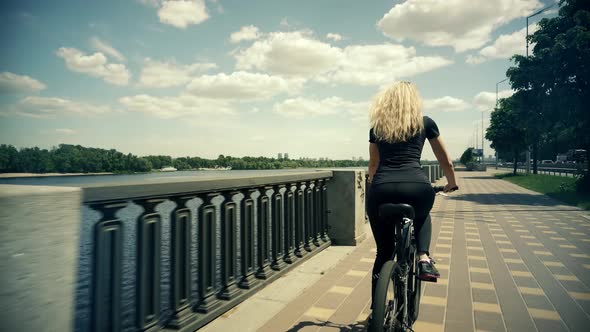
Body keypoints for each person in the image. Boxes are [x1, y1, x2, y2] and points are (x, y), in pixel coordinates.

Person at [366, 81, 458, 307]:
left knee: (384, 251)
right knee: (422, 214)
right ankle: (424, 257)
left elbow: (373, 165)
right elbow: (445, 160)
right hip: (417, 188)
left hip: (382, 189)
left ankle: (376, 307)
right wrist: (451, 183)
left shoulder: (377, 128)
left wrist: (372, 183)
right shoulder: (426, 123)